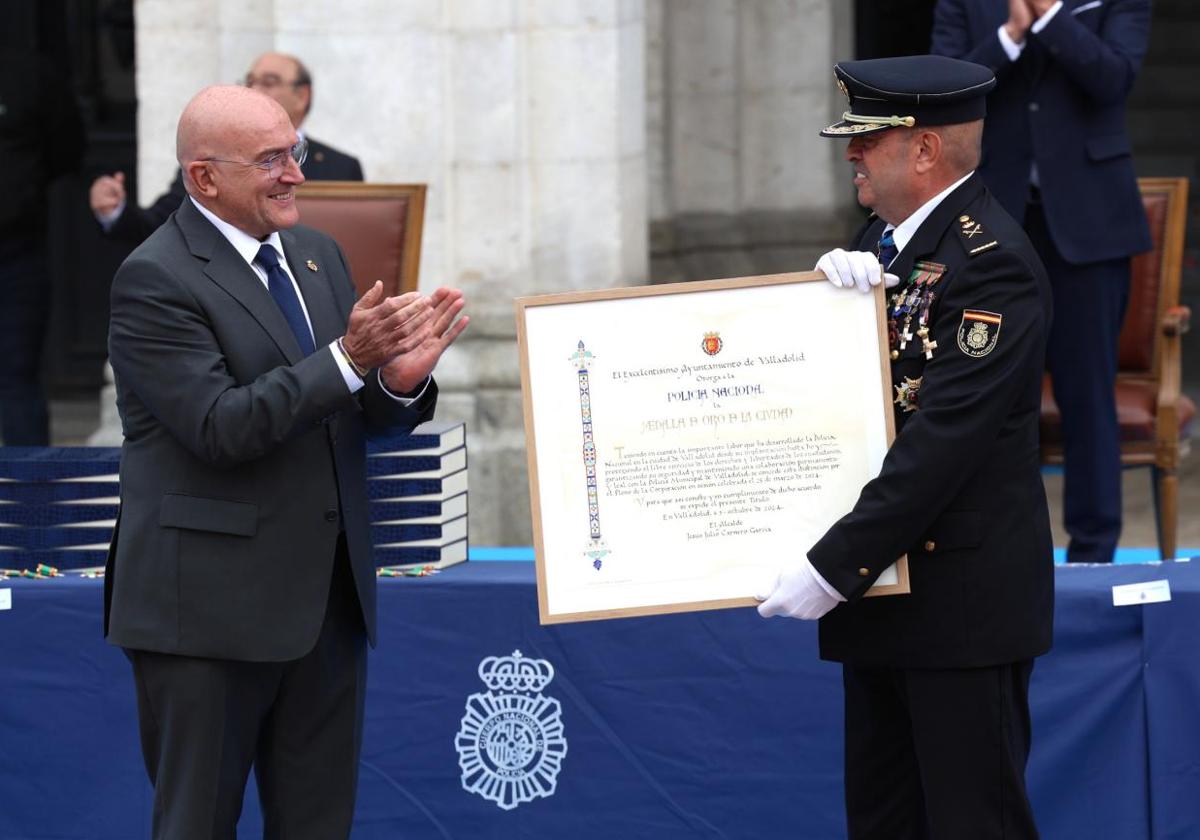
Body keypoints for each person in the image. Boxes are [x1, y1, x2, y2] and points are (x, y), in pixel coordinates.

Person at [103, 84, 467, 839]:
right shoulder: (153, 278)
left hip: (326, 605)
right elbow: (219, 428)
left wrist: (397, 383)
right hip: (206, 616)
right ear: (205, 177)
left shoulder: (316, 254)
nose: (296, 173)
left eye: (294, 150)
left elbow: (341, 411)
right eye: (271, 159)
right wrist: (347, 357)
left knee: (317, 826)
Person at [756, 55, 1054, 839]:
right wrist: (821, 314)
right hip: (883, 598)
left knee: (970, 825)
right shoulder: (880, 243)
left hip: (958, 606)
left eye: (867, 140)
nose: (850, 152)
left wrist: (831, 565)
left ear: (923, 150)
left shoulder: (994, 268)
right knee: (884, 823)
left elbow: (942, 443)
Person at [931, 0, 1152, 563]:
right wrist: (1010, 34)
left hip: (1089, 225)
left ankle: (1094, 553)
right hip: (991, 223)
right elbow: (943, 90)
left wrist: (1052, 18)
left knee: (1087, 393)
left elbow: (1113, 79)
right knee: (990, 391)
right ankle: (999, 556)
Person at [90, 51, 364, 246]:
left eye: (268, 82)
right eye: (250, 81)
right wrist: (116, 212)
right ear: (205, 177)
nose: (294, 176)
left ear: (302, 95)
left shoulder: (341, 167)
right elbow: (161, 227)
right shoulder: (213, 157)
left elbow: (358, 246)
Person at [0, 50, 85, 444]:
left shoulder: (26, 74)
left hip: (16, 250)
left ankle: (30, 501)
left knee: (17, 374)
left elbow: (66, 148)